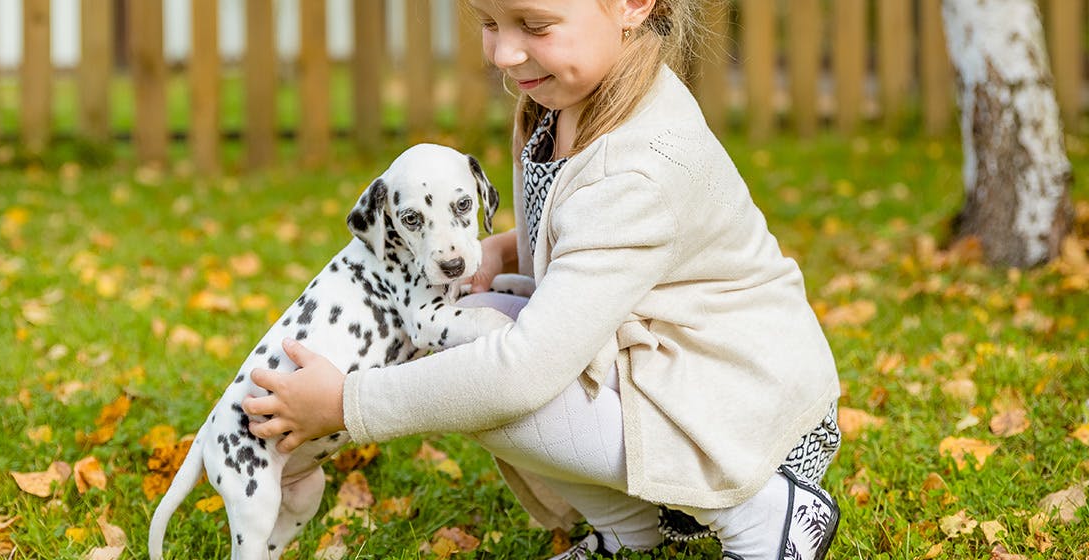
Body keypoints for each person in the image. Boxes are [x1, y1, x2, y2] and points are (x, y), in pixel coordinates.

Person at [242, 0, 843, 558]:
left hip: (745, 413)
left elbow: (521, 374)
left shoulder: (641, 165)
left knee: (482, 358)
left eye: (533, 25)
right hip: (672, 364)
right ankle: (629, 532)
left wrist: (349, 404)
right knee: (476, 324)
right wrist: (505, 252)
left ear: (633, 3)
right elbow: (583, 235)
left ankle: (766, 513)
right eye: (488, 22)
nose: (503, 53)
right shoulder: (565, 102)